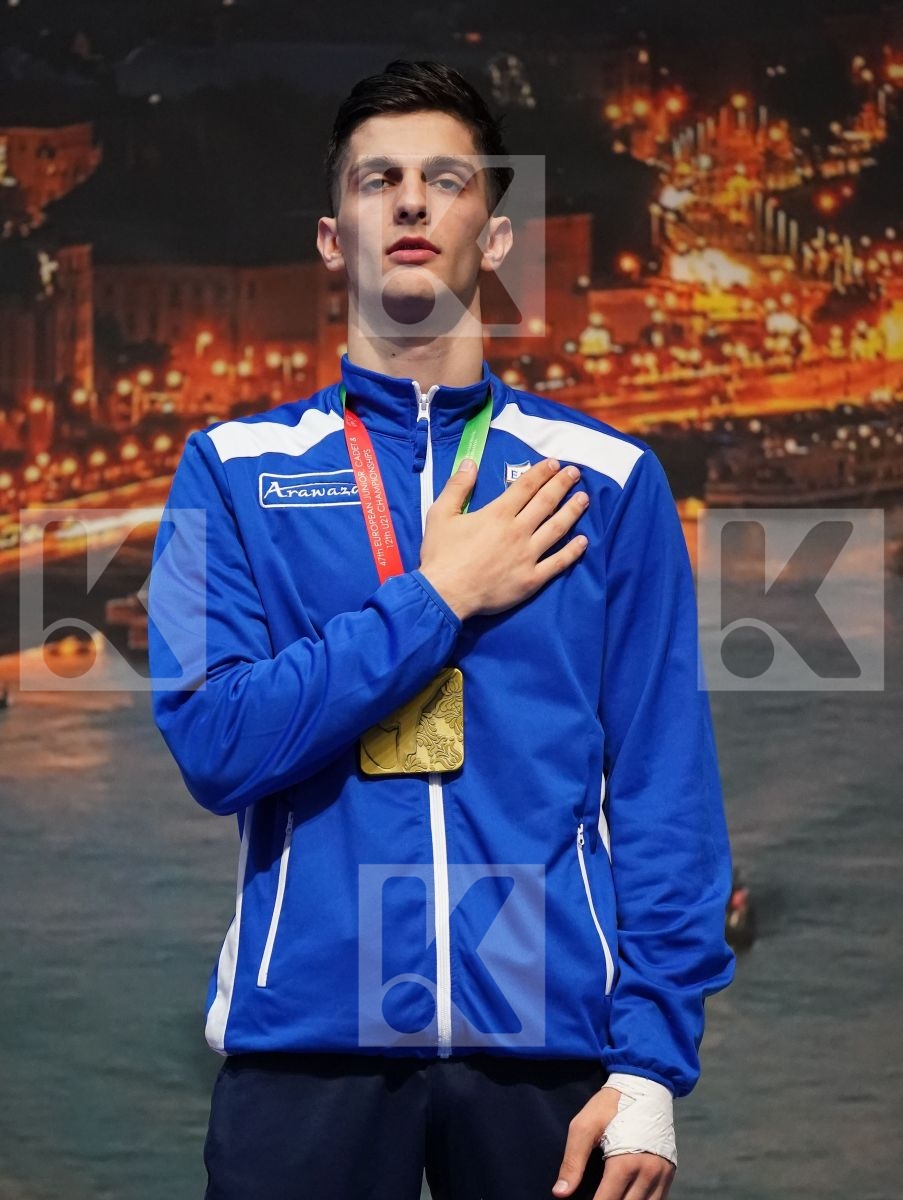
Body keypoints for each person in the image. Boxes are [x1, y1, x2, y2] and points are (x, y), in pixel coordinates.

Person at [148, 59, 735, 1200]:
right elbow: (215, 744)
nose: (412, 200)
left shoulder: (607, 482)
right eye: (379, 180)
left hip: (546, 1045)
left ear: (495, 234)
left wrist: (653, 1064)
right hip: (305, 1042)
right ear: (333, 239)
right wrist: (438, 596)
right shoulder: (231, 471)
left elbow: (663, 787)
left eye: (446, 179)